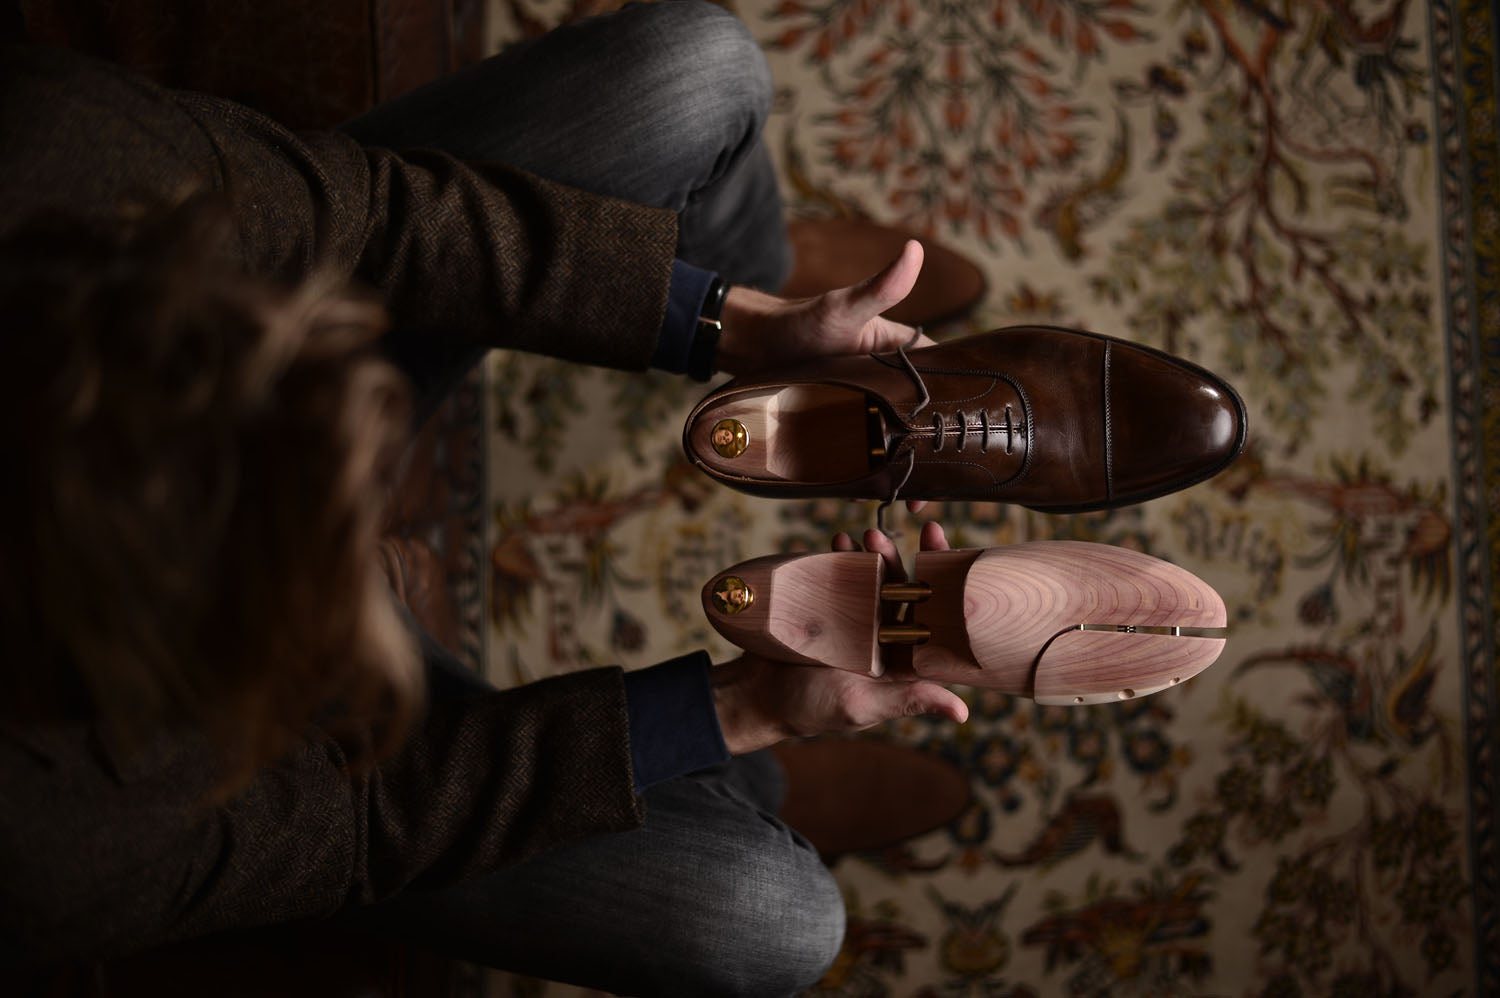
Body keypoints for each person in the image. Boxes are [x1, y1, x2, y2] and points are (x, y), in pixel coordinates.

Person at [0, 3, 968, 993]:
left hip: (250, 302)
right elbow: (362, 824)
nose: (388, 506)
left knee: (698, 68)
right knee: (772, 923)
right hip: (270, 735)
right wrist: (748, 705)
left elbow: (372, 220)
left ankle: (748, 270)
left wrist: (732, 326)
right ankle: (747, 776)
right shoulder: (47, 844)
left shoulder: (44, 156)